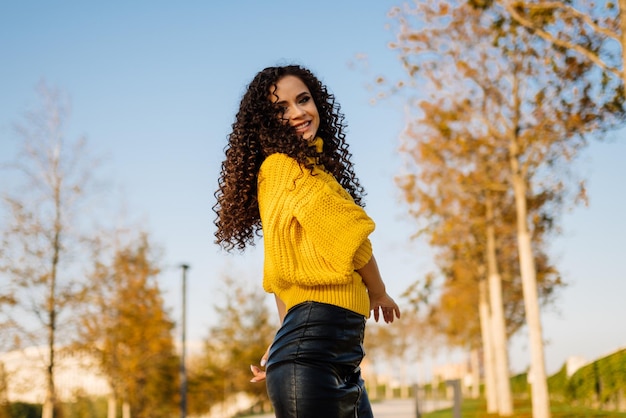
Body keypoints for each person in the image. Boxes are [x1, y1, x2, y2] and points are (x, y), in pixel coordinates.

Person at [213, 65, 401, 418]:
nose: (298, 112)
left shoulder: (294, 171)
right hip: (312, 359)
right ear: (267, 122)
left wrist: (281, 341)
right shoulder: (287, 168)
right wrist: (378, 292)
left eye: (303, 99)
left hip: (334, 359)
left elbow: (281, 277)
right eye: (281, 108)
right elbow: (351, 242)